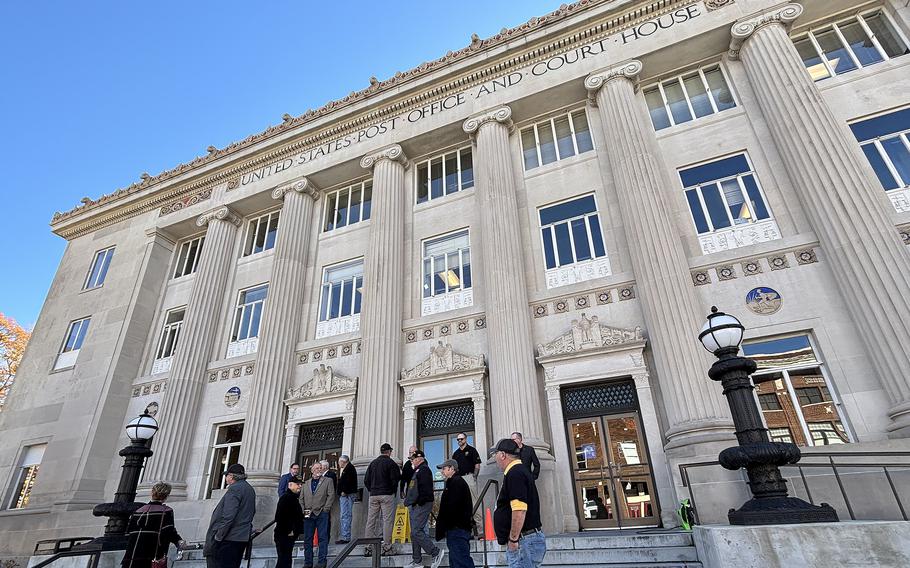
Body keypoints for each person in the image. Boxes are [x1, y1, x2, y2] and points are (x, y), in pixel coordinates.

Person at [492, 439, 546, 568]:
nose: (495, 457)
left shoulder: (515, 473)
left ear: (503, 455)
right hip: (525, 540)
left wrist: (513, 539)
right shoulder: (518, 471)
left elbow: (519, 509)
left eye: (496, 454)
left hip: (523, 541)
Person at [204, 463, 256, 568]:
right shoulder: (249, 489)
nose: (226, 478)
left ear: (231, 476)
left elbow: (228, 516)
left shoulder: (234, 489)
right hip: (241, 538)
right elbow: (251, 511)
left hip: (228, 538)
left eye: (226, 475)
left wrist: (218, 537)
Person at [122, 482, 183, 568]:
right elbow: (169, 532)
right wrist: (179, 541)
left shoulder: (137, 511)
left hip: (130, 557)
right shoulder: (166, 511)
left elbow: (128, 532)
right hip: (152, 557)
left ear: (152, 493)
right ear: (166, 496)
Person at [403, 450, 444, 568]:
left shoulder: (424, 470)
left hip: (423, 504)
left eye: (413, 459)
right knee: (414, 533)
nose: (412, 461)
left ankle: (435, 552)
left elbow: (425, 489)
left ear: (419, 459)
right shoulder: (417, 470)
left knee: (416, 531)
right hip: (416, 504)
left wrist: (419, 502)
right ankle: (417, 561)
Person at [435, 459, 476, 568]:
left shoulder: (456, 482)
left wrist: (447, 525)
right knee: (456, 561)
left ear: (452, 468)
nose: (442, 471)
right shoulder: (453, 483)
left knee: (461, 562)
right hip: (456, 529)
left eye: (444, 468)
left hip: (457, 529)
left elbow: (453, 507)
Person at [363, 442, 401, 557]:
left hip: (374, 494)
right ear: (389, 452)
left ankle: (368, 547)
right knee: (387, 520)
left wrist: (372, 490)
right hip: (386, 494)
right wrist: (392, 491)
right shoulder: (391, 463)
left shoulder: (373, 463)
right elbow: (396, 479)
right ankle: (387, 547)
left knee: (371, 521)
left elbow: (366, 480)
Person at [301, 462, 335, 568]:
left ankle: (322, 561)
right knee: (307, 539)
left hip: (321, 513)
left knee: (322, 538)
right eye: (316, 468)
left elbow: (331, 495)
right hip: (308, 513)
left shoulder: (328, 481)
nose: (318, 470)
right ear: (312, 470)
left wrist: (326, 509)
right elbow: (301, 498)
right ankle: (308, 562)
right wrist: (303, 510)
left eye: (320, 468)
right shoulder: (306, 483)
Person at [451, 433, 483, 534]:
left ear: (466, 439)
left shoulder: (472, 450)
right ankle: (465, 530)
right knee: (460, 505)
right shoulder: (455, 454)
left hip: (469, 477)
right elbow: (453, 469)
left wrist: (474, 476)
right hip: (459, 479)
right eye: (458, 440)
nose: (459, 441)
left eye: (461, 439)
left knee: (474, 503)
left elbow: (477, 464)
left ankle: (480, 530)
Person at [274, 476, 304, 568]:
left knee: (286, 560)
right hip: (284, 535)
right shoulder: (286, 498)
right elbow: (280, 516)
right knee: (284, 561)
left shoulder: (293, 498)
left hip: (288, 535)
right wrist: (289, 530)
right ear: (290, 485)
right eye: (297, 484)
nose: (300, 486)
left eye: (300, 484)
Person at [335, 455, 357, 545]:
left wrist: (344, 491)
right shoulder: (348, 468)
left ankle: (346, 537)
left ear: (343, 461)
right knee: (345, 516)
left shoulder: (349, 469)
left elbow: (348, 482)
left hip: (346, 495)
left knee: (345, 515)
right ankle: (345, 536)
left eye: (339, 462)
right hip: (346, 495)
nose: (339, 464)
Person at [319, 460, 336, 542]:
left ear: (325, 467)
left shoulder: (331, 475)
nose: (319, 468)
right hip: (317, 502)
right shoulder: (318, 475)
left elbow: (332, 490)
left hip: (326, 502)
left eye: (320, 467)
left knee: (326, 519)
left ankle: (326, 538)